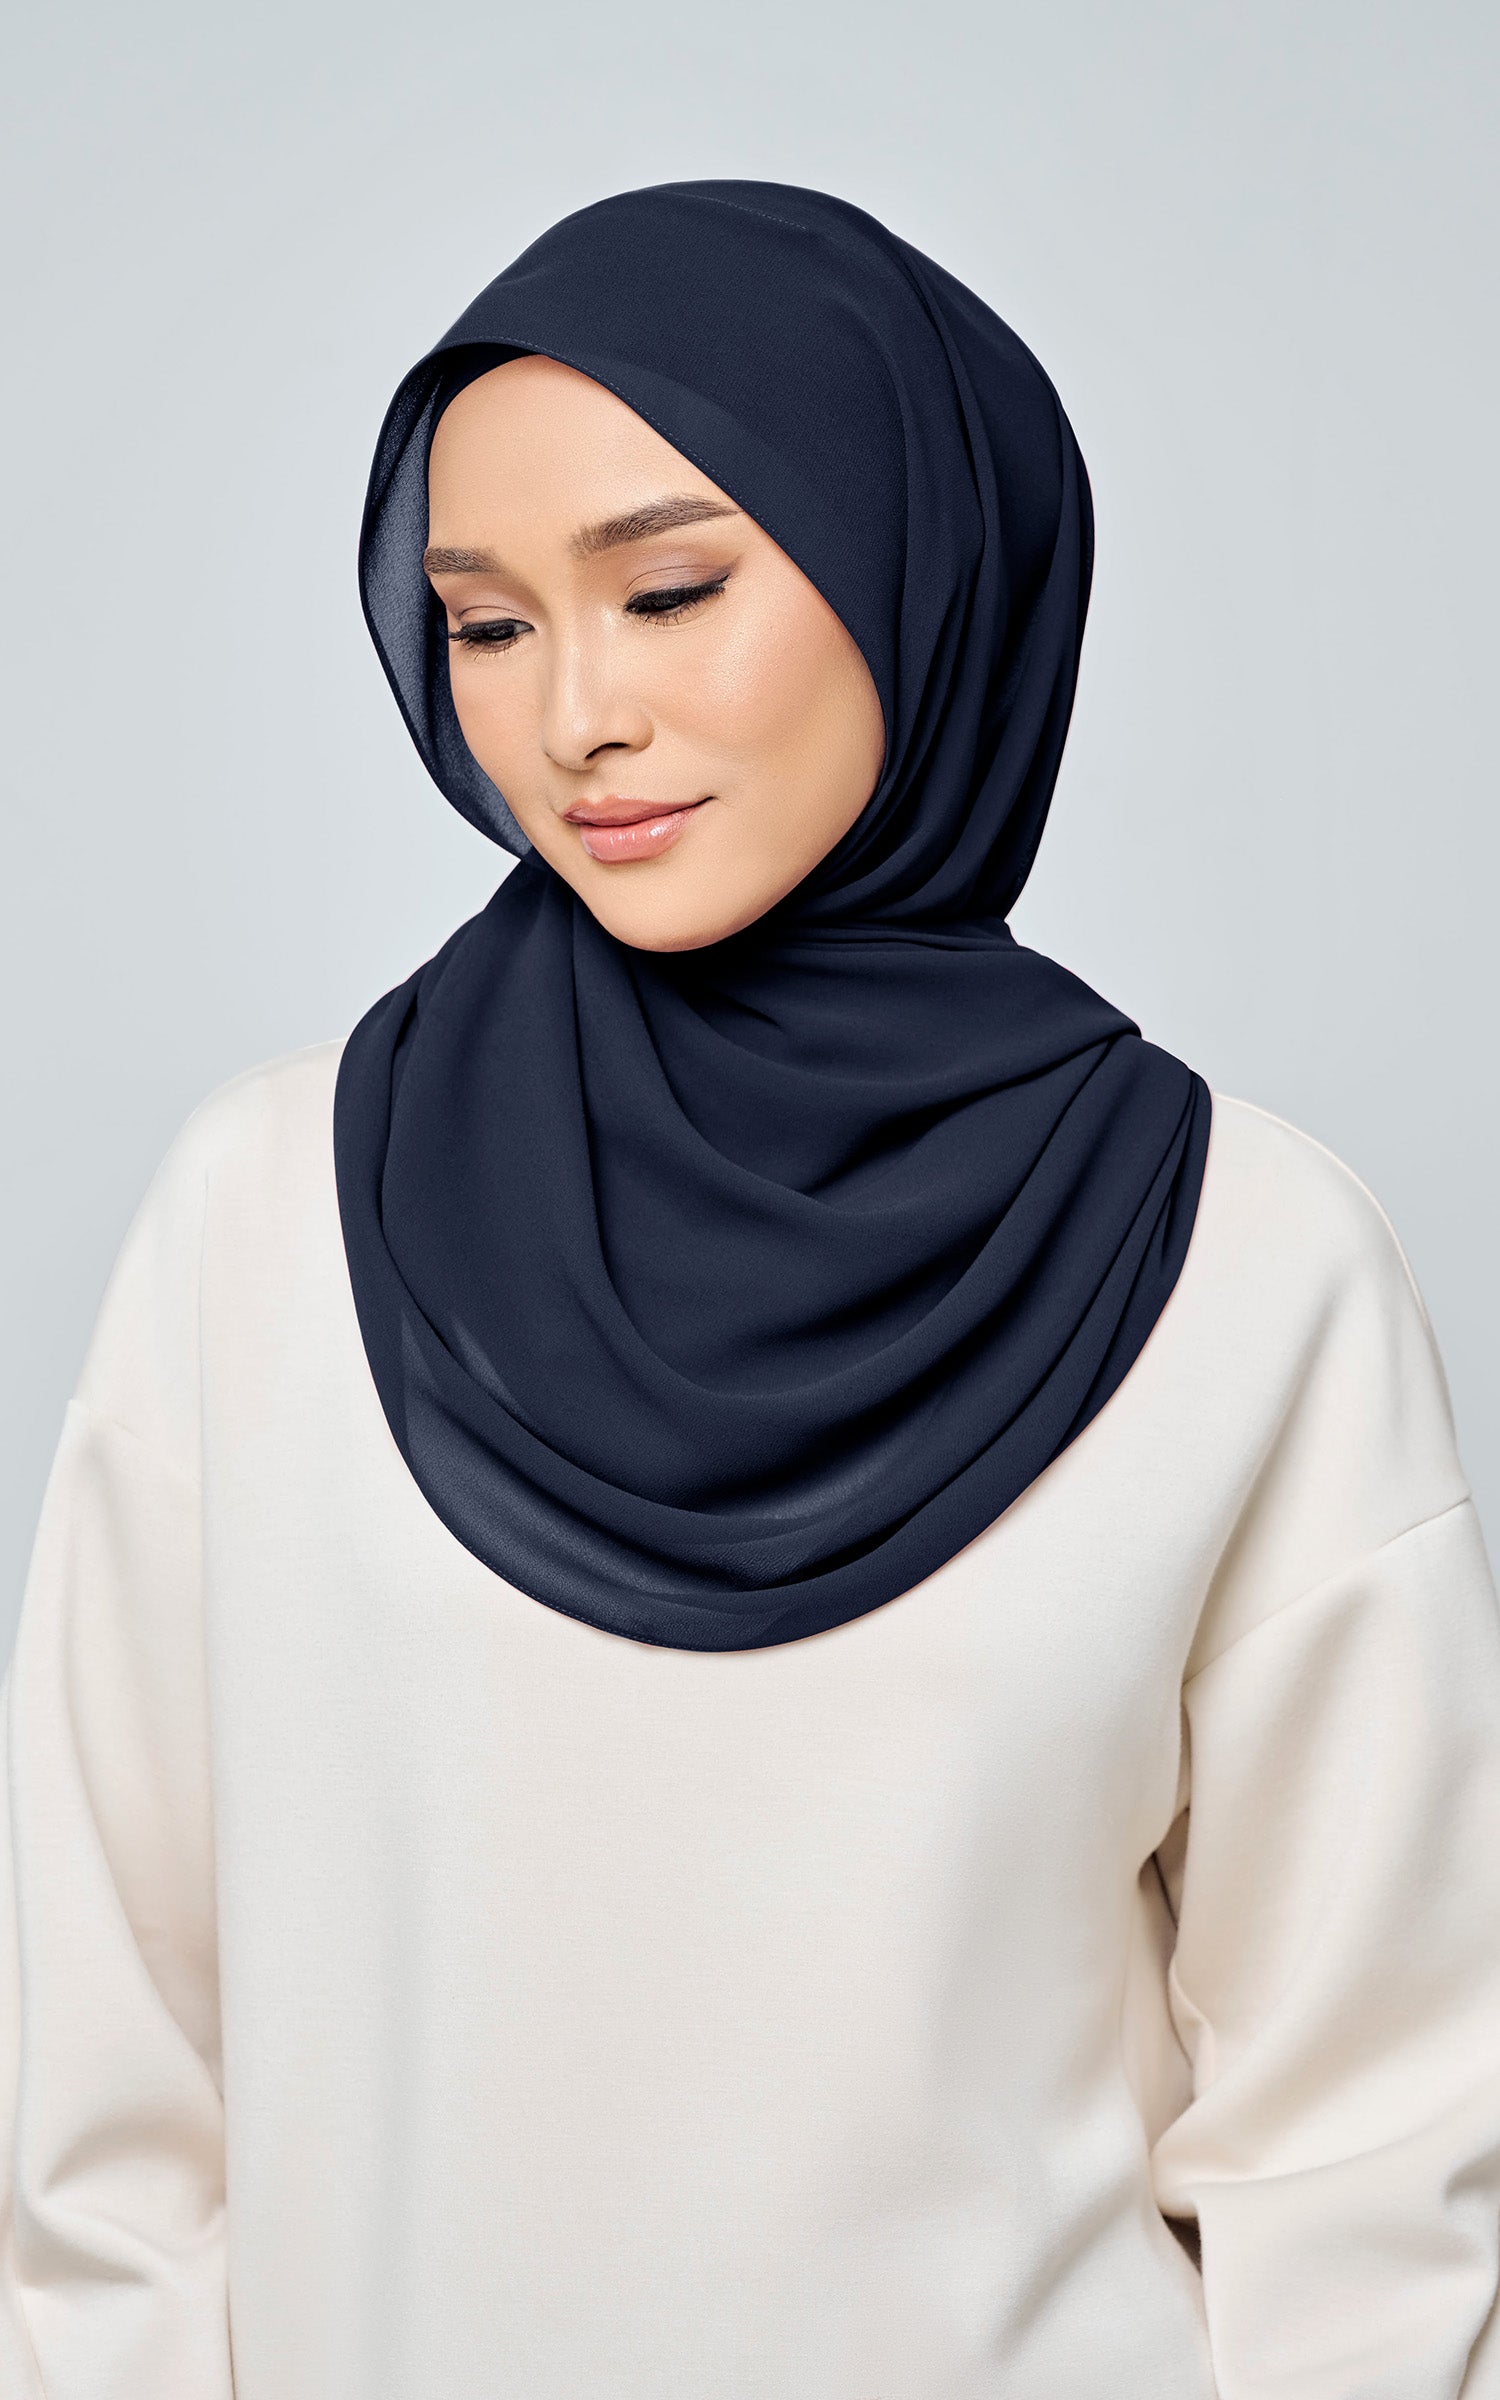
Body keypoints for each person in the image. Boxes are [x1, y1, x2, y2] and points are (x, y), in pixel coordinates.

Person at [2, 179, 1497, 2399]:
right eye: (485, 625)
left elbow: (1370, 2154)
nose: (571, 715)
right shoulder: (260, 1220)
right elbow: (113, 2130)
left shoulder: (1255, 1265)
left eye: (670, 589)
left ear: (922, 569)